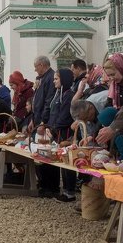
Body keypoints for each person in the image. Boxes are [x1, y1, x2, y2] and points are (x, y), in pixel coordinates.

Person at [43, 68, 77, 203]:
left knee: (67, 160)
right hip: (57, 132)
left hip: (65, 132)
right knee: (62, 161)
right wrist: (49, 127)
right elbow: (53, 113)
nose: (54, 81)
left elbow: (64, 116)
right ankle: (66, 190)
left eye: (56, 79)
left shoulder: (68, 95)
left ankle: (70, 192)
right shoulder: (58, 94)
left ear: (63, 79)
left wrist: (53, 128)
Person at [31, 56, 57, 197]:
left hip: (44, 122)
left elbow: (48, 101)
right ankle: (43, 183)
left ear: (41, 65)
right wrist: (33, 118)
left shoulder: (50, 78)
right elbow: (37, 100)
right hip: (38, 118)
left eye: (36, 66)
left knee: (47, 153)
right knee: (40, 153)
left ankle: (50, 186)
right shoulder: (42, 78)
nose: (35, 69)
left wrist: (43, 121)